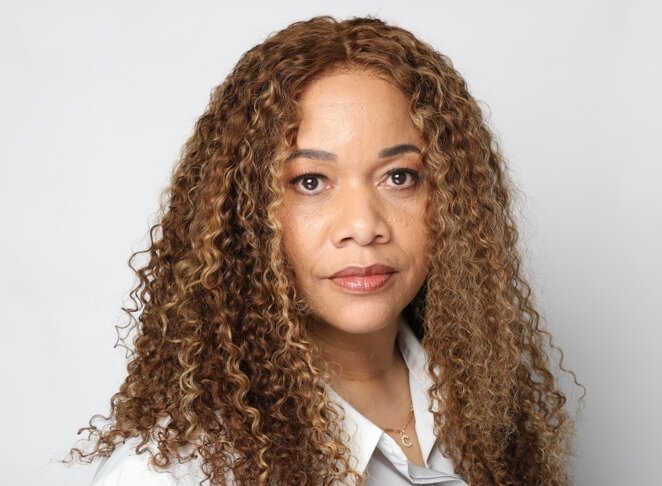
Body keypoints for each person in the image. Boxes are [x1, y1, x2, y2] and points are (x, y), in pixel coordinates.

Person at [69, 15, 582, 486]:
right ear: (243, 215)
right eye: (310, 181)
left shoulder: (491, 417)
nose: (363, 226)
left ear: (451, 200)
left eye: (399, 177)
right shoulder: (176, 474)